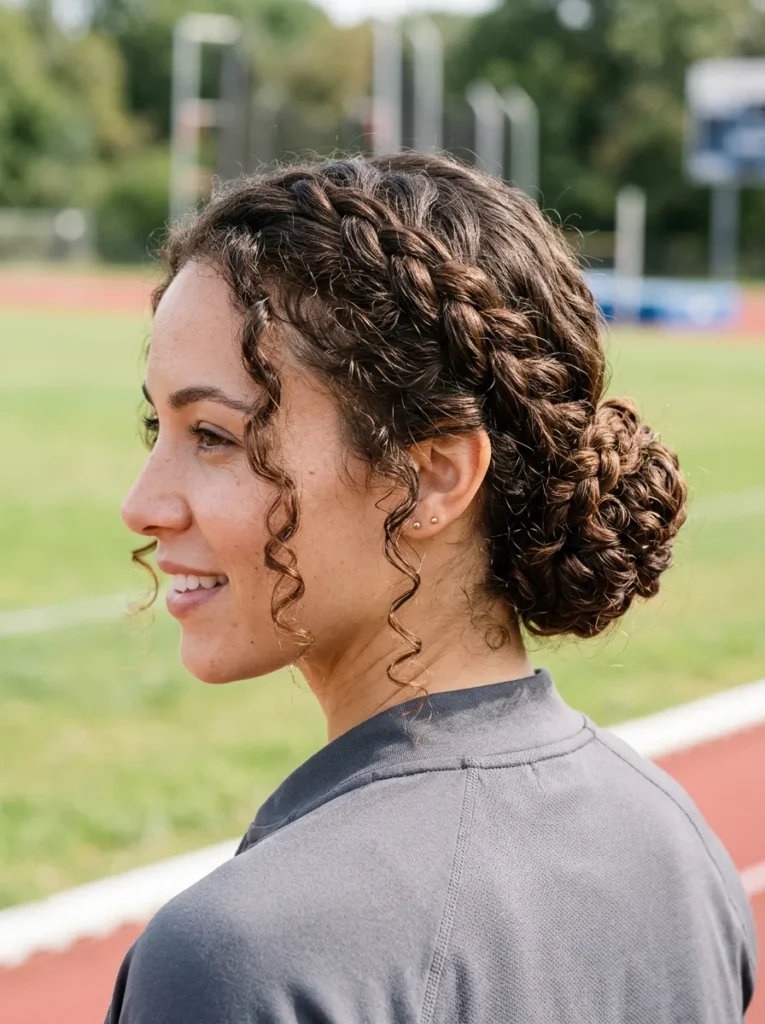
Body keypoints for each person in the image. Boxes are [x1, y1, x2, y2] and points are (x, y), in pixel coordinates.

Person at [107, 153, 756, 1023]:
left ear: (431, 478)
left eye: (216, 436)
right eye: (160, 425)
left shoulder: (240, 961)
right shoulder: (676, 845)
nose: (140, 505)